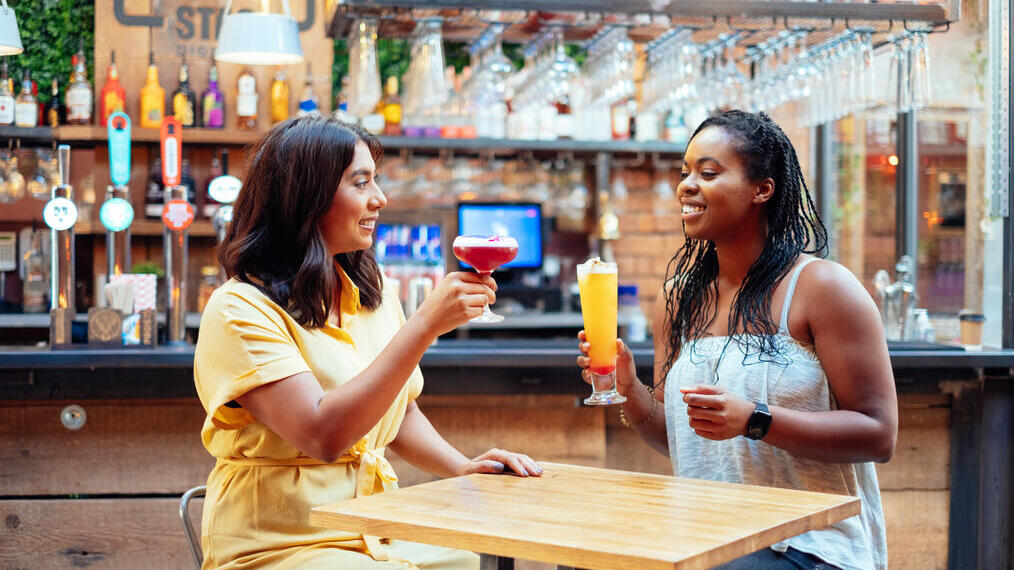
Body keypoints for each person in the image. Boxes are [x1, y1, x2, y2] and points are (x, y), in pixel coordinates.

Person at [194, 115, 541, 570]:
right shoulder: (238, 309)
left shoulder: (368, 287)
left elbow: (397, 411)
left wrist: (463, 468)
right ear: (305, 197)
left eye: (375, 181)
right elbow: (323, 435)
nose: (380, 198)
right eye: (361, 183)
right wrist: (423, 328)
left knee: (466, 561)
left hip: (375, 530)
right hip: (283, 543)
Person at [578, 110, 897, 570]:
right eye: (685, 172)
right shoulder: (679, 298)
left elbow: (878, 434)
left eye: (708, 173)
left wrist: (756, 420)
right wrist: (629, 390)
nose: (687, 185)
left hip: (813, 547)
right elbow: (679, 439)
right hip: (711, 539)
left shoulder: (824, 288)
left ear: (761, 189)